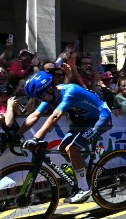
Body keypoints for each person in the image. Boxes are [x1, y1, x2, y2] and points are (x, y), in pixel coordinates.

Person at [18, 71, 113, 204]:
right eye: (38, 97)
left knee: (72, 148)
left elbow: (55, 116)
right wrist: (16, 135)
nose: (41, 99)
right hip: (84, 122)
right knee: (62, 148)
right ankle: (84, 174)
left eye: (41, 95)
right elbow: (34, 115)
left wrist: (36, 138)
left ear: (50, 88)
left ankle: (84, 188)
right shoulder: (51, 95)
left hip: (101, 118)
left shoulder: (70, 91)